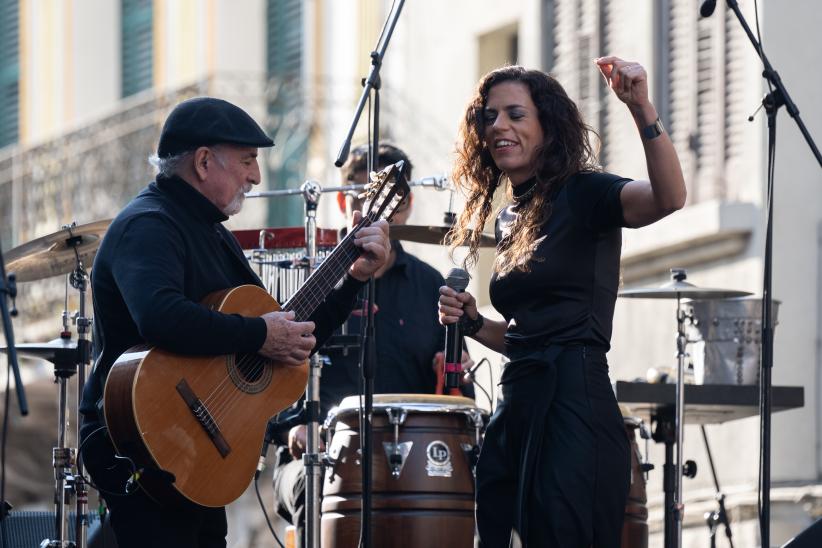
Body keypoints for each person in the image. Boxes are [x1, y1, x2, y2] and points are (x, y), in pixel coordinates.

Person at [78, 97, 390, 548]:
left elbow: (288, 336)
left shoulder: (212, 233)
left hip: (197, 447)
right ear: (204, 162)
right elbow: (160, 315)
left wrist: (351, 279)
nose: (256, 176)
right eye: (247, 160)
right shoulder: (148, 225)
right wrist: (261, 333)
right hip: (140, 439)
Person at [438, 57, 686, 546]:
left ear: (548, 126)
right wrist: (473, 322)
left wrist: (641, 109)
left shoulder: (585, 192)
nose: (498, 126)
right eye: (489, 117)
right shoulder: (511, 217)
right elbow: (525, 337)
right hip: (518, 402)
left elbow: (669, 197)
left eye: (515, 114)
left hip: (574, 404)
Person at [272, 143, 474, 544]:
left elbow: (459, 401)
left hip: (412, 458)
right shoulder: (305, 280)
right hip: (319, 454)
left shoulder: (433, 288)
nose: (379, 216)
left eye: (390, 204)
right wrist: (292, 429)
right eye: (365, 201)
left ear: (407, 206)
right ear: (346, 202)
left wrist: (450, 370)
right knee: (316, 491)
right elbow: (264, 375)